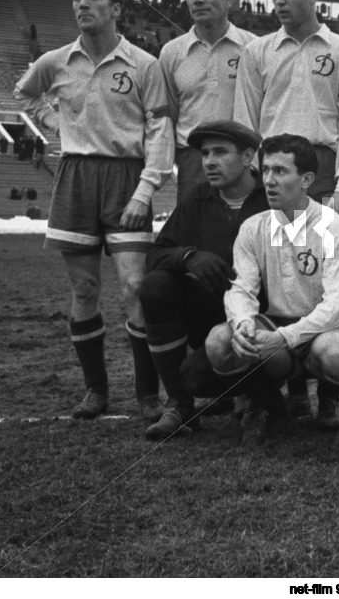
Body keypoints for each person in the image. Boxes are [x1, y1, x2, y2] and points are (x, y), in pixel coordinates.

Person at [14, 0, 174, 420]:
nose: (81, 4)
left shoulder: (144, 65)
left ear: (116, 8)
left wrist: (146, 189)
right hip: (75, 178)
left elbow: (160, 130)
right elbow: (25, 94)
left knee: (136, 288)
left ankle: (147, 394)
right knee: (84, 289)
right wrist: (55, 123)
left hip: (126, 178)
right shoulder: (56, 61)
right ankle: (96, 391)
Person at [204, 134, 339, 448]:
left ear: (306, 180)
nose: (269, 180)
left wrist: (283, 337)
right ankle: (267, 405)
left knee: (334, 353)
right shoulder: (253, 227)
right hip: (280, 326)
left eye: (281, 171)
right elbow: (240, 288)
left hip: (331, 327)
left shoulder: (335, 228)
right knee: (219, 342)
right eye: (266, 170)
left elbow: (337, 306)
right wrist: (243, 322)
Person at [139, 121, 267, 439]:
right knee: (155, 286)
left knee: (202, 371)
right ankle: (180, 406)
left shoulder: (272, 196)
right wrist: (189, 257)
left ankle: (263, 397)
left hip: (266, 319)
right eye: (205, 153)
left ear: (248, 157)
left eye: (220, 152)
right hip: (214, 318)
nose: (209, 161)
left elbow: (326, 233)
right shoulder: (197, 199)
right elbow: (156, 254)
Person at [234, 0, 339, 215]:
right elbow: (245, 123)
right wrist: (255, 177)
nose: (279, 0)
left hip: (323, 170)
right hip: (272, 167)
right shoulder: (256, 52)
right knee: (276, 241)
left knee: (325, 241)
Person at [159, 0, 257, 200]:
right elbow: (169, 116)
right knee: (194, 225)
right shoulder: (171, 53)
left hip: (243, 158)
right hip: (194, 160)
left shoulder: (254, 48)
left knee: (246, 225)